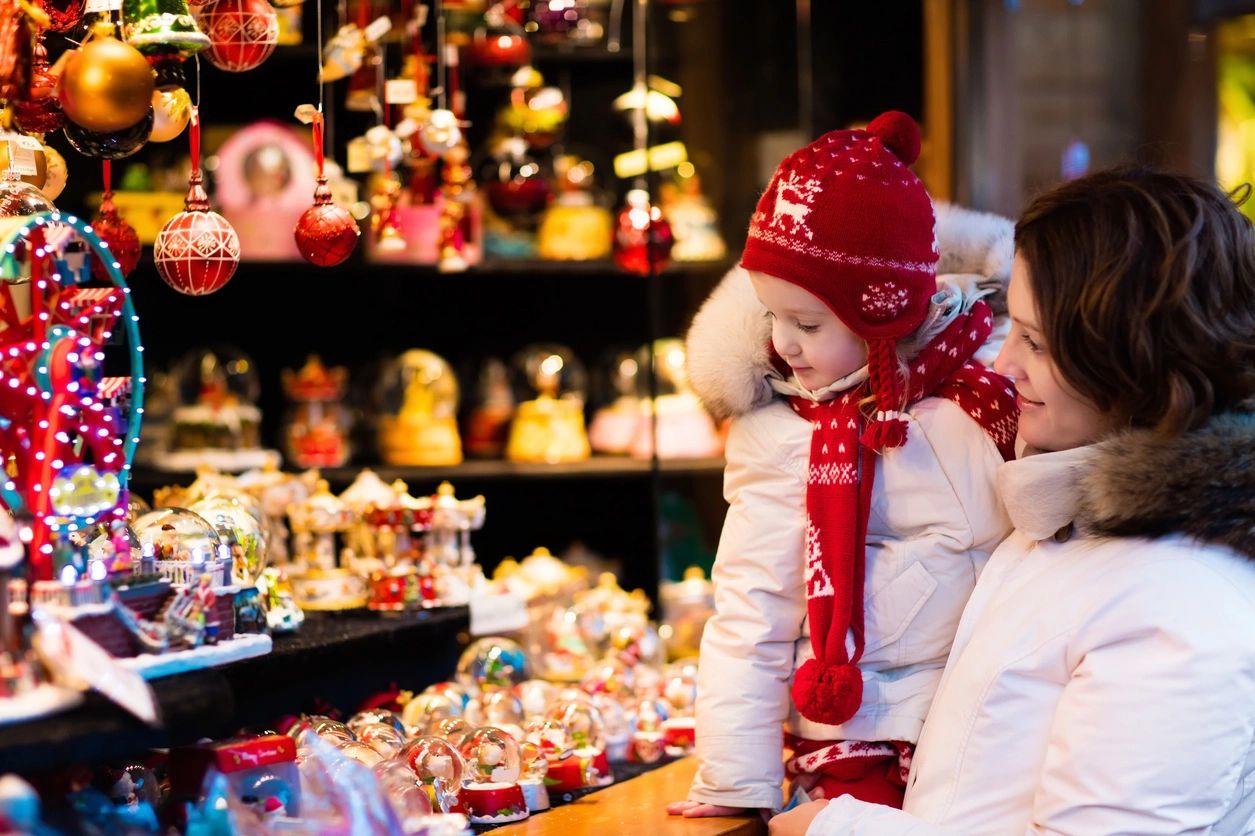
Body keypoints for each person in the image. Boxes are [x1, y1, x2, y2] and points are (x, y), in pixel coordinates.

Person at [772, 166, 1255, 836]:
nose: (1002, 364)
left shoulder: (1178, 602)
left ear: (1132, 358)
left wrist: (841, 831)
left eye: (1035, 341)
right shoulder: (1073, 515)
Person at [667, 112, 1020, 817]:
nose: (784, 344)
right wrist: (737, 779)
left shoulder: (991, 383)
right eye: (772, 316)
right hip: (853, 728)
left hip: (986, 717)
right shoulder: (780, 430)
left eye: (807, 324)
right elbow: (750, 610)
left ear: (883, 312)